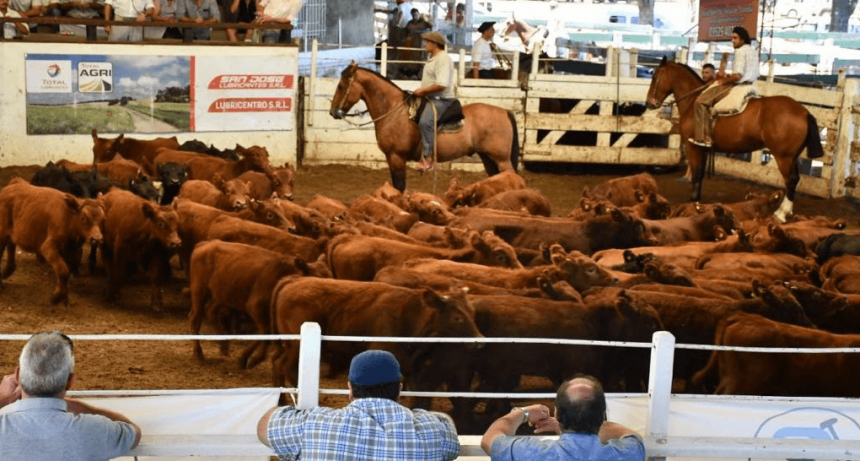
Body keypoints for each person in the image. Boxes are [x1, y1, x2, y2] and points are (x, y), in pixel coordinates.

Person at [257, 350, 460, 460]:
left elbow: (265, 425)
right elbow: (448, 427)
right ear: (399, 390)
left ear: (350, 389)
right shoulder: (433, 431)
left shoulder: (313, 424)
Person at [0, 331, 142, 460]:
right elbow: (134, 432)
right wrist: (88, 410)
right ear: (70, 382)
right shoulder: (95, 429)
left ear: (18, 376)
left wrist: (3, 398)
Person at [481, 375, 645, 461]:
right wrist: (581, 421)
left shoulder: (529, 453)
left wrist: (523, 413)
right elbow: (629, 435)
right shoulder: (627, 454)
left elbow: (489, 439)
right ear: (603, 415)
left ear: (556, 413)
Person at [690, 26, 759, 148]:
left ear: (742, 39)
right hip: (751, 85)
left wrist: (724, 81)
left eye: (735, 38)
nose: (733, 40)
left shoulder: (740, 51)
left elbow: (738, 76)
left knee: (700, 102)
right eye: (732, 38)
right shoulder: (752, 50)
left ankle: (703, 138)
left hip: (738, 85)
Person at [413, 30, 456, 172]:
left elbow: (441, 84)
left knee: (425, 122)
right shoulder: (434, 58)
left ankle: (428, 158)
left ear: (435, 44)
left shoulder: (443, 59)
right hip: (430, 97)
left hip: (441, 99)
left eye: (427, 42)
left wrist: (422, 91)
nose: (425, 44)